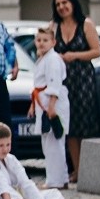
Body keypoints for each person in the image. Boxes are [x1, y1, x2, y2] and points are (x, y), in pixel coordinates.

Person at [52, 0, 100, 181]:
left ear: (73, 3)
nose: (62, 7)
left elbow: (96, 51)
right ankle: (77, 170)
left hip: (84, 79)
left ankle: (89, 170)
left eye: (65, 3)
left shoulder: (86, 24)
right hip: (64, 80)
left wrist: (74, 56)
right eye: (58, 4)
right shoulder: (54, 26)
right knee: (70, 125)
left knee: (86, 123)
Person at [29, 24, 70, 189]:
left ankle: (56, 180)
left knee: (54, 143)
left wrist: (51, 107)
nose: (41, 43)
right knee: (49, 144)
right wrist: (33, 106)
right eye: (38, 40)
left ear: (53, 42)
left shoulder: (53, 59)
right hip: (43, 104)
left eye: (45, 40)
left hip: (52, 106)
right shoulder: (43, 59)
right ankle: (60, 178)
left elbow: (55, 84)